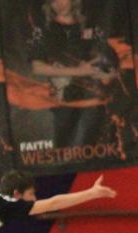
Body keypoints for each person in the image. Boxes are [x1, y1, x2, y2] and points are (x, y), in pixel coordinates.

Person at [30, 0, 118, 149]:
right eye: (53, 1)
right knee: (65, 153)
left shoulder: (91, 28)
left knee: (100, 150)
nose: (59, 4)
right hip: (64, 102)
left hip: (94, 101)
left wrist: (106, 74)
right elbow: (37, 67)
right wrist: (77, 71)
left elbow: (111, 63)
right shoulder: (44, 30)